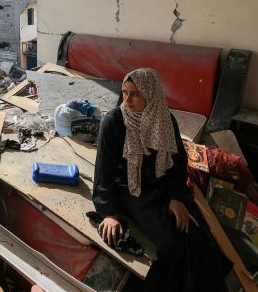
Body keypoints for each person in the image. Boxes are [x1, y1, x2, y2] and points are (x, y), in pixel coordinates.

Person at [92, 68, 227, 291]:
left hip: (161, 183)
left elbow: (178, 162)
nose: (127, 100)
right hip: (130, 188)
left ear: (151, 94)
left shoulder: (164, 119)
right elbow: (104, 171)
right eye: (125, 92)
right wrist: (109, 213)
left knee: (197, 234)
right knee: (170, 241)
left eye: (135, 94)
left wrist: (176, 197)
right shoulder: (114, 122)